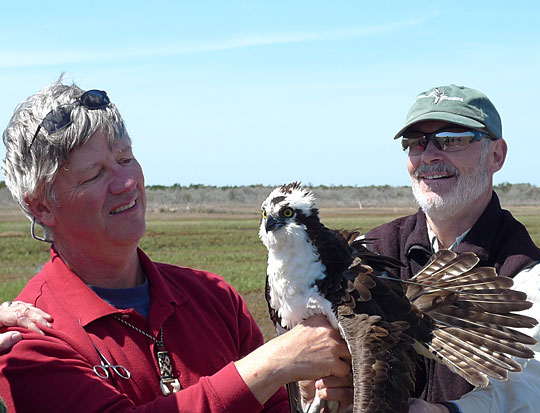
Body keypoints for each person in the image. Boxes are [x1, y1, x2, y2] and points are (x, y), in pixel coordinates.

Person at [0, 78, 351, 412]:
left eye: (125, 159)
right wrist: (271, 365)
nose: (126, 182)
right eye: (94, 174)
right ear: (42, 206)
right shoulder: (30, 339)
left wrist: (313, 399)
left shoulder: (214, 297)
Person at [363, 84, 540, 412]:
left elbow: (538, 388)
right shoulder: (374, 252)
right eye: (416, 142)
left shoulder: (525, 278)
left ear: (496, 155)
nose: (429, 155)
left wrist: (446, 411)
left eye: (451, 138)